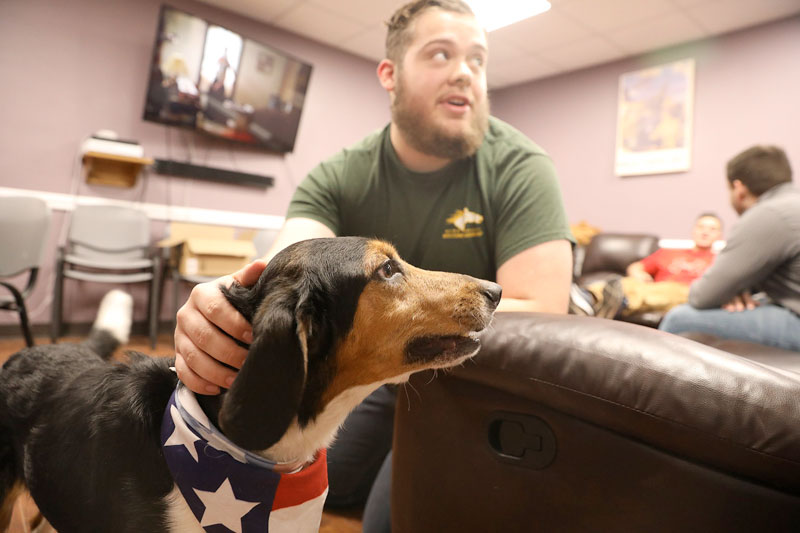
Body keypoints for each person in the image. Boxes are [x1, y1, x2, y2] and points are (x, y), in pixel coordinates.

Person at [173, 1, 575, 531]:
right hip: (378, 377)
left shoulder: (522, 167)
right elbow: (283, 268)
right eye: (440, 53)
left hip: (474, 386)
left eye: (477, 59)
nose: (465, 72)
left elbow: (544, 310)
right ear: (389, 74)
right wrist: (220, 304)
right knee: (308, 469)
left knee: (391, 523)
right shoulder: (338, 175)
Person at [659, 145, 800, 351]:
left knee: (679, 319)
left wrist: (727, 289)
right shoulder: (792, 205)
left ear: (739, 189)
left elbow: (701, 296)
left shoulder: (769, 214)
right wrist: (737, 287)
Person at [571, 213, 723, 319]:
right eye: (701, 227)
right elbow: (635, 267)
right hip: (651, 288)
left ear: (719, 235)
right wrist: (639, 275)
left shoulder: (719, 261)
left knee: (671, 290)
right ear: (694, 231)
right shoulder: (668, 252)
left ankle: (617, 302)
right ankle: (586, 297)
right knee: (624, 282)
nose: (705, 232)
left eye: (712, 229)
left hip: (684, 293)